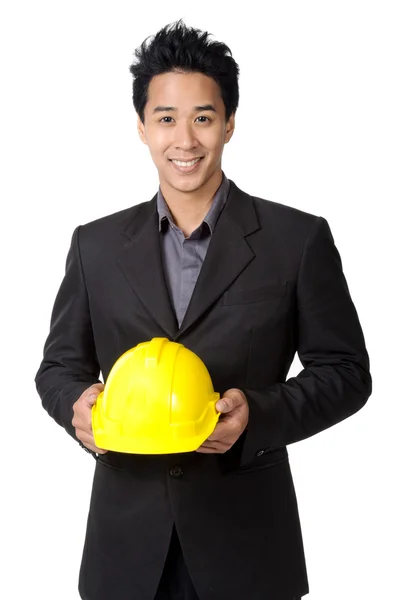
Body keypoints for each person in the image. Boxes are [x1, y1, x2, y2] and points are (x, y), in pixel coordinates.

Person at [34, 19, 372, 600]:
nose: (184, 141)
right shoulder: (94, 245)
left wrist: (257, 416)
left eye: (203, 118)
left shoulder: (297, 240)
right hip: (126, 550)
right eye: (165, 118)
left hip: (247, 546)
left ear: (230, 124)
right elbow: (58, 366)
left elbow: (346, 373)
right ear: (141, 127)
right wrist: (76, 405)